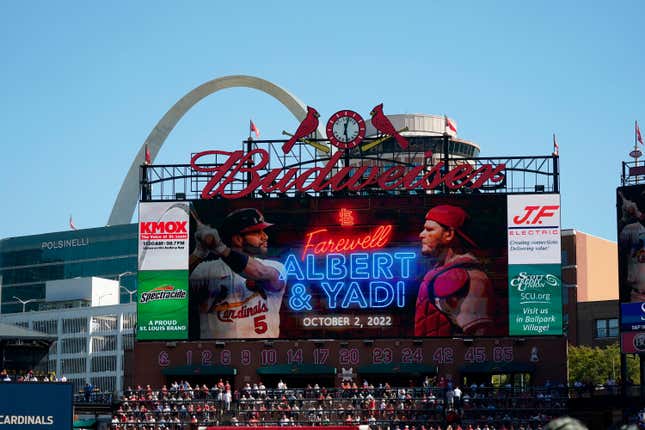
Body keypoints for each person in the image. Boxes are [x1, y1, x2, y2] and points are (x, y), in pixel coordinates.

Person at [190, 208, 286, 339]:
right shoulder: (206, 270)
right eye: (257, 232)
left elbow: (258, 272)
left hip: (262, 353)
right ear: (238, 239)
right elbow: (173, 285)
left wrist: (220, 248)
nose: (265, 236)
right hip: (217, 355)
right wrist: (198, 254)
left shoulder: (274, 266)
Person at [414, 205, 498, 336]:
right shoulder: (441, 272)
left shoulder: (471, 277)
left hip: (451, 355)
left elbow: (480, 335)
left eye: (429, 229)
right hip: (428, 353)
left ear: (449, 234)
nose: (421, 235)